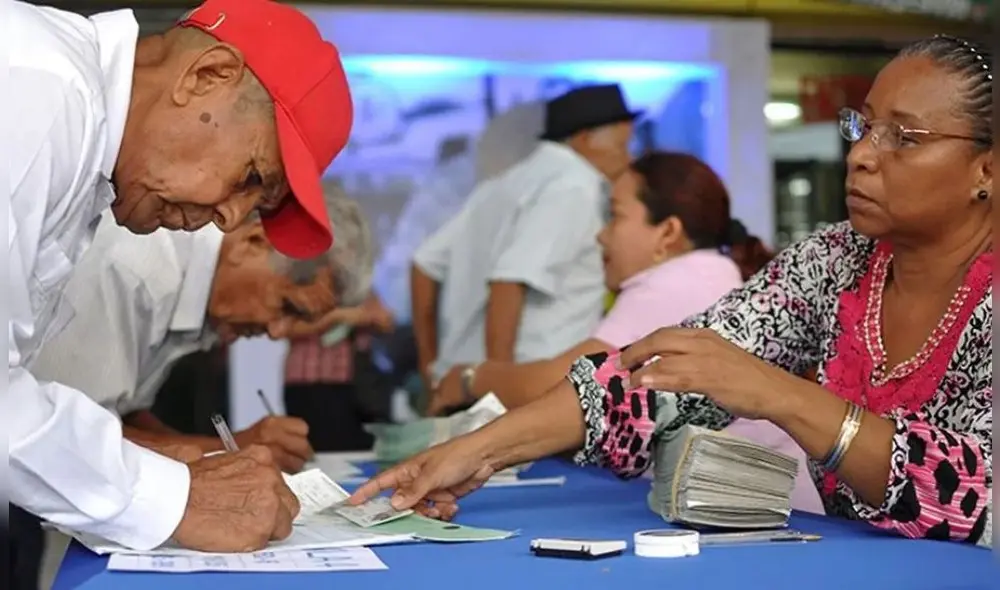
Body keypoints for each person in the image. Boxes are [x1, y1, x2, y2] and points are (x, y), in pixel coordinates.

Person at [348, 35, 993, 547]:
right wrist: (476, 451)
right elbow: (660, 376)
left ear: (986, 170)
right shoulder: (837, 261)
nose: (862, 155)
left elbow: (975, 492)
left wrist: (780, 393)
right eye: (863, 127)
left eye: (904, 138)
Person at [8, 0, 352, 559]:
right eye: (250, 177)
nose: (230, 219)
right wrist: (177, 497)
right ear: (206, 76)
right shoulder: (41, 93)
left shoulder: (82, 147)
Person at [31, 191, 372, 476]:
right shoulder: (136, 273)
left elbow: (124, 412)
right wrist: (230, 449)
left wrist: (229, 452)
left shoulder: (193, 293)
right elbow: (70, 438)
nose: (276, 331)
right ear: (253, 241)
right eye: (286, 306)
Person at [412, 85, 637, 394]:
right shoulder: (574, 187)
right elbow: (508, 282)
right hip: (525, 389)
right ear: (585, 139)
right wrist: (496, 390)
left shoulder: (507, 182)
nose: (628, 158)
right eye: (623, 146)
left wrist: (430, 365)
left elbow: (424, 264)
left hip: (462, 382)